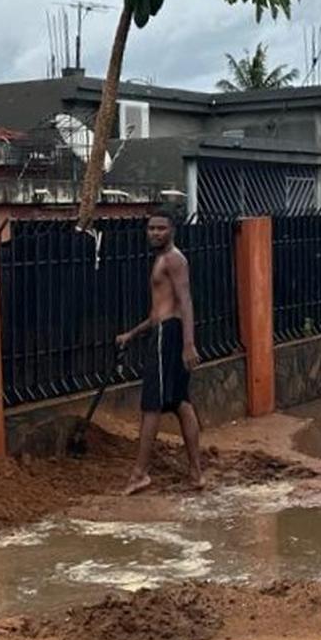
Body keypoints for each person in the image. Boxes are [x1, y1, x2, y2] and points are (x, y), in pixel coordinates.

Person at [116, 208, 202, 494]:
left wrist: (188, 343)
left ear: (172, 230)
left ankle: (140, 473)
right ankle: (196, 473)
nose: (155, 233)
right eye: (151, 228)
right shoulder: (162, 259)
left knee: (152, 404)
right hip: (164, 331)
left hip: (169, 335)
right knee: (180, 402)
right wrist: (132, 334)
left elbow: (185, 301)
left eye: (161, 228)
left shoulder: (174, 259)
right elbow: (158, 312)